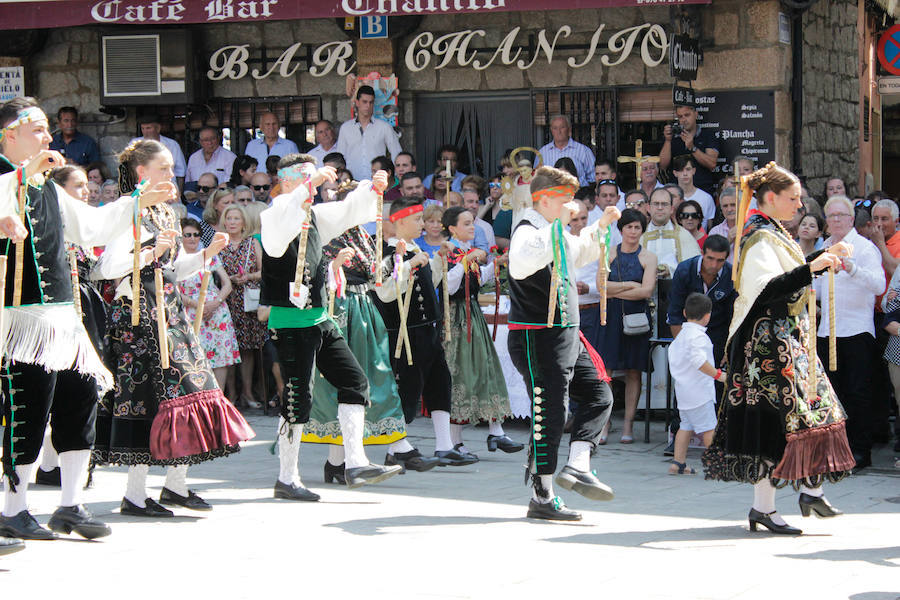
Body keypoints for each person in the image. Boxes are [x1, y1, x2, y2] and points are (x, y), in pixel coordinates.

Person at [0, 97, 171, 541]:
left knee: (79, 402)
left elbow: (92, 228)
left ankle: (71, 505)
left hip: (61, 319)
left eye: (45, 129)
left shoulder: (47, 185)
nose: (47, 137)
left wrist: (136, 200)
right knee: (28, 410)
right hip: (17, 321)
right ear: (8, 135)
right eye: (36, 129)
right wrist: (21, 176)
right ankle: (13, 508)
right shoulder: (9, 178)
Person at [89, 138, 253, 518]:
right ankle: (134, 493)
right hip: (137, 320)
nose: (172, 175)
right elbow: (107, 269)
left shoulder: (165, 213)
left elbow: (174, 271)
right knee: (147, 401)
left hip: (170, 313)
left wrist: (205, 256)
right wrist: (148, 253)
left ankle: (176, 484)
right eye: (163, 169)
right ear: (142, 173)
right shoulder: (125, 211)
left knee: (192, 392)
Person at [703, 162, 855, 536]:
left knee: (816, 409)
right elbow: (767, 288)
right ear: (770, 198)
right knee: (774, 422)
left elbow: (785, 278)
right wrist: (814, 266)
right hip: (766, 347)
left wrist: (818, 264)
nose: (799, 205)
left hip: (786, 340)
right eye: (793, 198)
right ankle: (766, 507)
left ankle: (810, 490)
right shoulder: (757, 236)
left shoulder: (773, 232)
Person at [260, 154, 401, 497]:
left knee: (354, 381)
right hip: (290, 322)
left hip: (319, 318)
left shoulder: (314, 215)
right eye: (309, 178)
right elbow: (278, 237)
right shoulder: (275, 212)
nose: (320, 184)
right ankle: (287, 477)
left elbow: (351, 211)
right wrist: (308, 185)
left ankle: (355, 463)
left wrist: (372, 186)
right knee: (298, 399)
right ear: (289, 181)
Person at [305, 183, 440, 481]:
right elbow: (312, 274)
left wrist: (400, 265)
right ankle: (397, 448)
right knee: (359, 381)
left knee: (369, 380)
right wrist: (335, 268)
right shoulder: (327, 235)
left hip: (365, 313)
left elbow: (380, 283)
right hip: (341, 312)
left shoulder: (365, 235)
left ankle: (338, 462)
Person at [507, 166, 619, 521]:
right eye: (565, 199)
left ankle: (578, 465)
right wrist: (562, 228)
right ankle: (542, 495)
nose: (573, 206)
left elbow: (581, 251)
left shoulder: (551, 230)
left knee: (599, 393)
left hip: (567, 331)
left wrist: (599, 229)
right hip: (537, 334)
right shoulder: (527, 231)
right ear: (545, 199)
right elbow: (522, 264)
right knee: (550, 412)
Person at [373, 197, 475, 467]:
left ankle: (444, 445)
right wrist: (410, 265)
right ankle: (396, 449)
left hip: (428, 329)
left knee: (440, 384)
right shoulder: (388, 252)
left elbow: (430, 284)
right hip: (404, 334)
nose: (422, 224)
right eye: (417, 219)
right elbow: (384, 290)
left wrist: (438, 261)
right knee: (407, 388)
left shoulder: (416, 249)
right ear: (399, 221)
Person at [441, 206, 521, 456]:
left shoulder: (465, 252)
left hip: (471, 314)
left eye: (472, 223)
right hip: (455, 318)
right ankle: (455, 440)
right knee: (460, 375)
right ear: (452, 228)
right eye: (466, 224)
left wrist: (495, 264)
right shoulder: (448, 251)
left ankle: (496, 431)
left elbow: (475, 281)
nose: (471, 227)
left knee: (487, 369)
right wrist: (466, 260)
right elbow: (449, 285)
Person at [815, 195, 884, 473]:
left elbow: (879, 285)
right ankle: (833, 451)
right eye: (831, 216)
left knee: (858, 393)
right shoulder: (823, 247)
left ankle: (859, 450)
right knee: (832, 394)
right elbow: (817, 290)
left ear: (851, 219)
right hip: (827, 331)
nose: (836, 221)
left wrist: (850, 267)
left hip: (856, 331)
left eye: (841, 216)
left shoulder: (865, 248)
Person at [594, 209, 657, 444]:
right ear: (621, 230)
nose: (632, 231)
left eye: (637, 227)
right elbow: (601, 288)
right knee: (606, 370)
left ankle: (628, 424)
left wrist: (616, 288)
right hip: (610, 316)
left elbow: (647, 291)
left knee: (633, 371)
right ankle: (604, 422)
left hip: (637, 318)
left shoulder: (649, 257)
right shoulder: (608, 253)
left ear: (642, 230)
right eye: (628, 227)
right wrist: (630, 285)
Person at [177, 218, 241, 395]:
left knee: (220, 357)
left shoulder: (209, 255)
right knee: (195, 357)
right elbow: (172, 289)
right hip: (190, 311)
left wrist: (215, 303)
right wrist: (196, 305)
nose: (192, 239)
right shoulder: (176, 259)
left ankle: (218, 396)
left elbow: (227, 284)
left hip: (216, 310)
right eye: (187, 235)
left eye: (196, 235)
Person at [667, 293, 724, 475]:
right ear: (708, 316)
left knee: (685, 426)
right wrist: (719, 376)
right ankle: (718, 466)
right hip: (699, 392)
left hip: (683, 390)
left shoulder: (682, 335)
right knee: (709, 428)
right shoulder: (698, 337)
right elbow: (699, 361)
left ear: (685, 312)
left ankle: (678, 463)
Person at [218, 204, 268, 410]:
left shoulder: (251, 243)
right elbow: (211, 272)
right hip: (226, 300)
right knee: (227, 349)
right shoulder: (218, 244)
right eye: (229, 218)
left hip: (247, 301)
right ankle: (230, 394)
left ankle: (247, 392)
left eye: (236, 218)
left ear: (244, 222)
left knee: (247, 350)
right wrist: (228, 279)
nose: (232, 222)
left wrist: (247, 277)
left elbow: (263, 271)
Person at [667, 235, 734, 364]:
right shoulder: (684, 270)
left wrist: (730, 350)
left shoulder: (732, 275)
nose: (714, 265)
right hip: (687, 334)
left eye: (720, 260)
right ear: (702, 253)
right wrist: (683, 349)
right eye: (710, 258)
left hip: (718, 335)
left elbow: (733, 317)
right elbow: (675, 313)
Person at [335, 86, 402, 181]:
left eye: (371, 102)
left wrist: (393, 178)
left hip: (377, 182)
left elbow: (397, 153)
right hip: (351, 182)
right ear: (357, 102)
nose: (368, 106)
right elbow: (339, 157)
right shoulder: (346, 128)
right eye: (364, 102)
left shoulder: (384, 127)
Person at [660, 103, 720, 195]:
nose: (684, 119)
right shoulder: (673, 137)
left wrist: (692, 148)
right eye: (680, 117)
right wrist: (668, 140)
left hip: (702, 190)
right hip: (677, 193)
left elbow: (712, 164)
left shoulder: (708, 135)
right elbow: (662, 165)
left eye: (687, 115)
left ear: (696, 114)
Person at [641, 188, 701, 277]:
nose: (660, 208)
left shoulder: (683, 235)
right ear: (648, 208)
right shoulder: (639, 235)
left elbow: (694, 267)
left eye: (664, 204)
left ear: (672, 209)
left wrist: (670, 270)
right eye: (656, 204)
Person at [131, 114, 187, 190]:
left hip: (168, 189)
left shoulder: (172, 145)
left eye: (148, 128)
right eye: (143, 128)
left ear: (158, 128)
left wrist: (179, 193)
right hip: (143, 188)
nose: (145, 132)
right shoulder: (135, 144)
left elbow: (181, 172)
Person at [536, 115, 595, 186]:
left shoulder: (583, 151)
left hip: (579, 194)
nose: (559, 131)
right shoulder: (543, 153)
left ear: (569, 129)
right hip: (551, 195)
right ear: (551, 130)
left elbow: (593, 178)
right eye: (555, 128)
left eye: (562, 127)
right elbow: (536, 179)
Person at [672, 155, 715, 229]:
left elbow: (710, 228)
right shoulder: (669, 197)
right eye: (681, 170)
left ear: (694, 171)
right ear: (675, 173)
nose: (685, 174)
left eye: (688, 169)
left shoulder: (706, 198)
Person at [461, 175, 494, 252]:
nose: (474, 206)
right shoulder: (453, 224)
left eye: (476, 202)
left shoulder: (486, 227)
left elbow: (490, 257)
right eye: (464, 190)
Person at [707, 187, 737, 260]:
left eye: (733, 205)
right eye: (725, 206)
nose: (729, 209)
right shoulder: (715, 232)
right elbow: (710, 258)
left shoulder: (751, 227)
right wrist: (727, 242)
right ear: (721, 208)